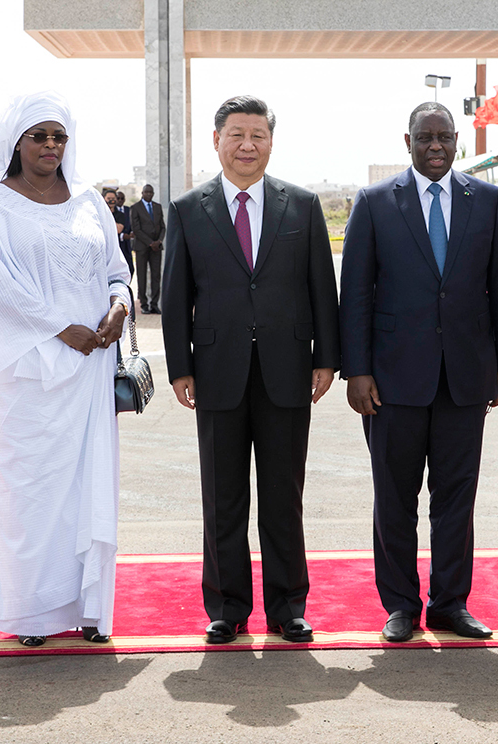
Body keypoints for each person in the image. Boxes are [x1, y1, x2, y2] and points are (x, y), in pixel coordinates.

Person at [0, 91, 132, 648]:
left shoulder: (89, 200)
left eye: (59, 136)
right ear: (16, 143)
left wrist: (119, 306)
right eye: (39, 136)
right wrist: (59, 327)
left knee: (87, 487)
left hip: (90, 369)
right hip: (28, 375)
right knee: (28, 491)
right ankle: (30, 613)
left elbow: (116, 270)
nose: (51, 145)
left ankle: (89, 609)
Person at [162, 95, 340, 645]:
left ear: (271, 142)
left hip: (288, 369)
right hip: (217, 370)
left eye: (257, 135)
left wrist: (326, 357)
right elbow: (175, 296)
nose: (247, 145)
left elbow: (321, 287)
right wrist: (179, 367)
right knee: (223, 497)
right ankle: (227, 607)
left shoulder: (301, 205)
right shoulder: (188, 209)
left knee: (284, 497)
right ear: (216, 140)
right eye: (236, 134)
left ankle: (288, 608)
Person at [340, 102, 498, 643]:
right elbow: (356, 293)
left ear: (457, 140)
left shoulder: (486, 200)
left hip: (465, 376)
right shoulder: (375, 202)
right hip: (392, 380)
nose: (435, 146)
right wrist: (357, 370)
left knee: (456, 497)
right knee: (394, 498)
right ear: (408, 141)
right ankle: (400, 605)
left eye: (444, 137)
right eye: (425, 137)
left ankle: (449, 604)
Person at [130, 184, 165, 314]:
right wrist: (150, 243)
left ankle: (154, 304)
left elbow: (163, 227)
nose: (149, 194)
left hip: (156, 248)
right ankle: (144, 304)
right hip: (142, 247)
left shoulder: (157, 207)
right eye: (147, 192)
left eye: (151, 192)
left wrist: (159, 241)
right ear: (142, 193)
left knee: (156, 276)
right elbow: (136, 229)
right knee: (142, 276)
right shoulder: (135, 208)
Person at [115, 190, 134, 278]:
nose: (120, 200)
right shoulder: (111, 211)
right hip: (117, 243)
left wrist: (131, 233)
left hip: (127, 244)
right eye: (118, 198)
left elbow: (132, 223)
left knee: (130, 268)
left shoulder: (128, 210)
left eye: (122, 198)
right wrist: (122, 235)